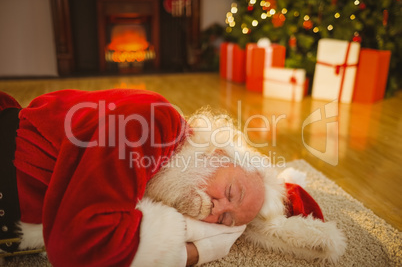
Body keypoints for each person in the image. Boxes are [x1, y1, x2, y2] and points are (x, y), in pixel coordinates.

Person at [0, 89, 346, 266]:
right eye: (231, 191)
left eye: (224, 218)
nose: (216, 207)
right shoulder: (155, 121)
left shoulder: (166, 181)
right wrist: (193, 252)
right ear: (220, 153)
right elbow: (82, 250)